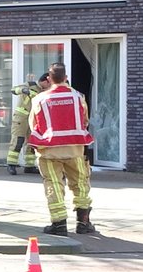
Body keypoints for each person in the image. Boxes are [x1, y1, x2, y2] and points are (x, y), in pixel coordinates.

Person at [28, 62, 95, 236]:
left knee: (53, 185)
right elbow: (85, 120)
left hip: (49, 150)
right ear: (66, 78)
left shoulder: (39, 99)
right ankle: (83, 223)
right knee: (80, 183)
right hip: (75, 149)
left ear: (49, 79)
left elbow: (33, 125)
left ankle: (59, 225)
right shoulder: (78, 97)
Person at [7, 71, 51, 175]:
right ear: (44, 81)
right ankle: (11, 164)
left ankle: (29, 165)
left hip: (34, 119)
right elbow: (14, 90)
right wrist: (24, 90)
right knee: (18, 140)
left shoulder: (44, 91)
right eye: (49, 84)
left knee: (31, 142)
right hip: (21, 118)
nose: (49, 86)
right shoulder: (30, 85)